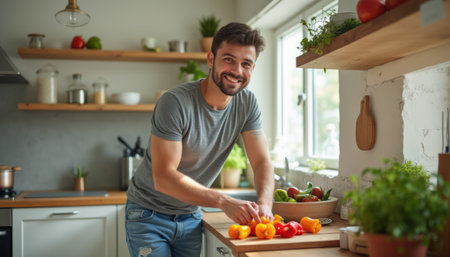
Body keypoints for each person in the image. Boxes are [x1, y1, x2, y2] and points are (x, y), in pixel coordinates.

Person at [125, 22, 274, 257]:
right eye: (228, 59)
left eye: (246, 64)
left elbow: (262, 161)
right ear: (211, 59)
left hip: (191, 215)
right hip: (148, 215)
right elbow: (164, 177)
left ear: (253, 68)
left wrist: (265, 203)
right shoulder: (175, 102)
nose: (237, 71)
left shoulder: (247, 104)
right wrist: (223, 201)